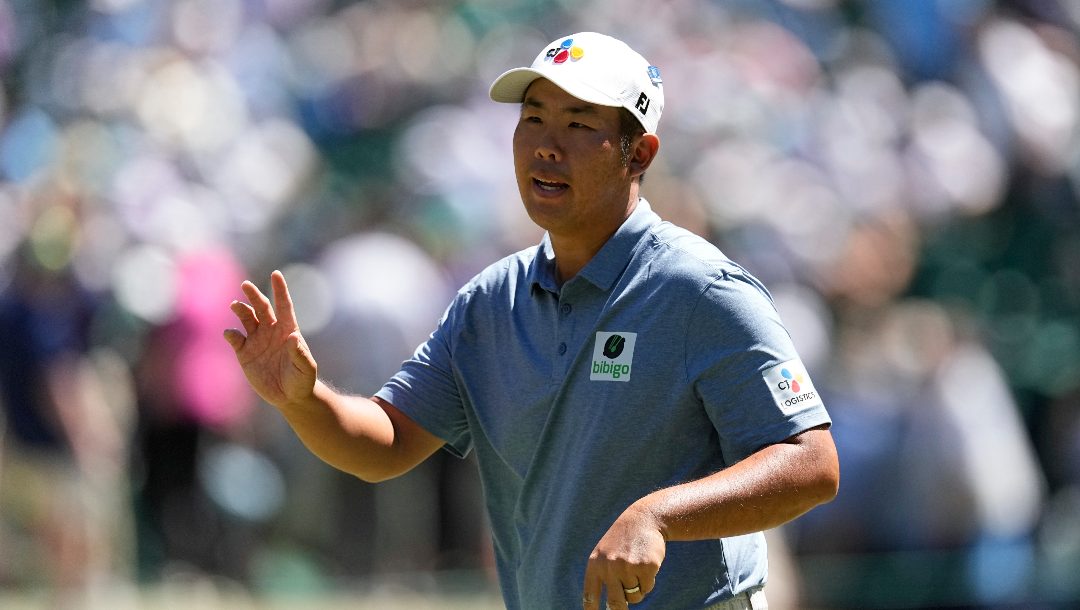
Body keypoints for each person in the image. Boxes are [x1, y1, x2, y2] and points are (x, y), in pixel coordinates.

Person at [224, 32, 839, 610]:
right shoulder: (491, 302)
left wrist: (659, 515)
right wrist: (303, 401)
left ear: (639, 153)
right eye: (534, 119)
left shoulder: (699, 289)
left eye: (579, 124)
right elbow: (387, 444)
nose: (547, 143)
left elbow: (811, 462)